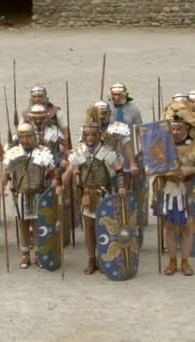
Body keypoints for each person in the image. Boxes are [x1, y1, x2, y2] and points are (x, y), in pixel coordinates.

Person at [60, 106, 126, 274]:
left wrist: (122, 187)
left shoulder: (106, 151)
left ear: (99, 135)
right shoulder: (79, 152)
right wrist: (61, 187)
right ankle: (91, 259)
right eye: (87, 135)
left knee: (104, 227)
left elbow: (118, 169)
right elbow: (68, 172)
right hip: (86, 195)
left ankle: (105, 257)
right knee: (88, 227)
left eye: (93, 135)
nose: (90, 138)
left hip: (103, 194)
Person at [158, 110, 195, 276]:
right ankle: (172, 261)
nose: (175, 132)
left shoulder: (194, 147)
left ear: (186, 129)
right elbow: (152, 167)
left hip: (188, 192)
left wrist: (190, 169)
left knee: (187, 227)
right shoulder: (163, 147)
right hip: (169, 190)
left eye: (179, 129)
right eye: (173, 129)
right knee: (170, 227)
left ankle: (185, 261)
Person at [0, 122, 57, 269]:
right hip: (22, 194)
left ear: (33, 137)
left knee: (37, 224)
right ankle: (25, 255)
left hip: (38, 193)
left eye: (28, 136)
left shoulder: (43, 152)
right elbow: (7, 173)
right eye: (22, 137)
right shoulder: (13, 153)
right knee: (23, 225)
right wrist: (2, 186)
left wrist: (55, 181)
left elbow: (51, 172)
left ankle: (38, 254)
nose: (25, 140)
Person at [21, 85, 70, 150]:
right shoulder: (26, 113)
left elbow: (65, 131)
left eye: (40, 96)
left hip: (51, 144)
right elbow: (20, 131)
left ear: (45, 97)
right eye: (34, 97)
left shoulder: (55, 111)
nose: (37, 99)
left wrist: (66, 149)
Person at [108, 83, 142, 175]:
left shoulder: (133, 108)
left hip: (128, 144)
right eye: (114, 95)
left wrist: (141, 146)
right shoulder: (107, 108)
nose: (117, 97)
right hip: (111, 144)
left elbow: (140, 129)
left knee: (128, 169)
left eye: (119, 95)